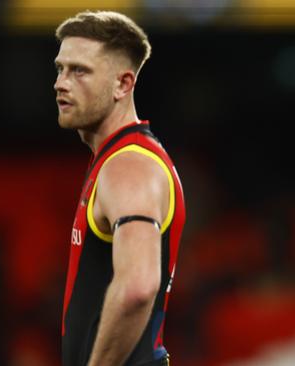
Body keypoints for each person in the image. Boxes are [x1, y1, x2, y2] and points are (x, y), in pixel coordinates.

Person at [55, 11, 186, 366]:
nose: (61, 83)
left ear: (123, 84)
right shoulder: (117, 159)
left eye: (79, 71)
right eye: (60, 68)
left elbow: (138, 287)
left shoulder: (129, 167)